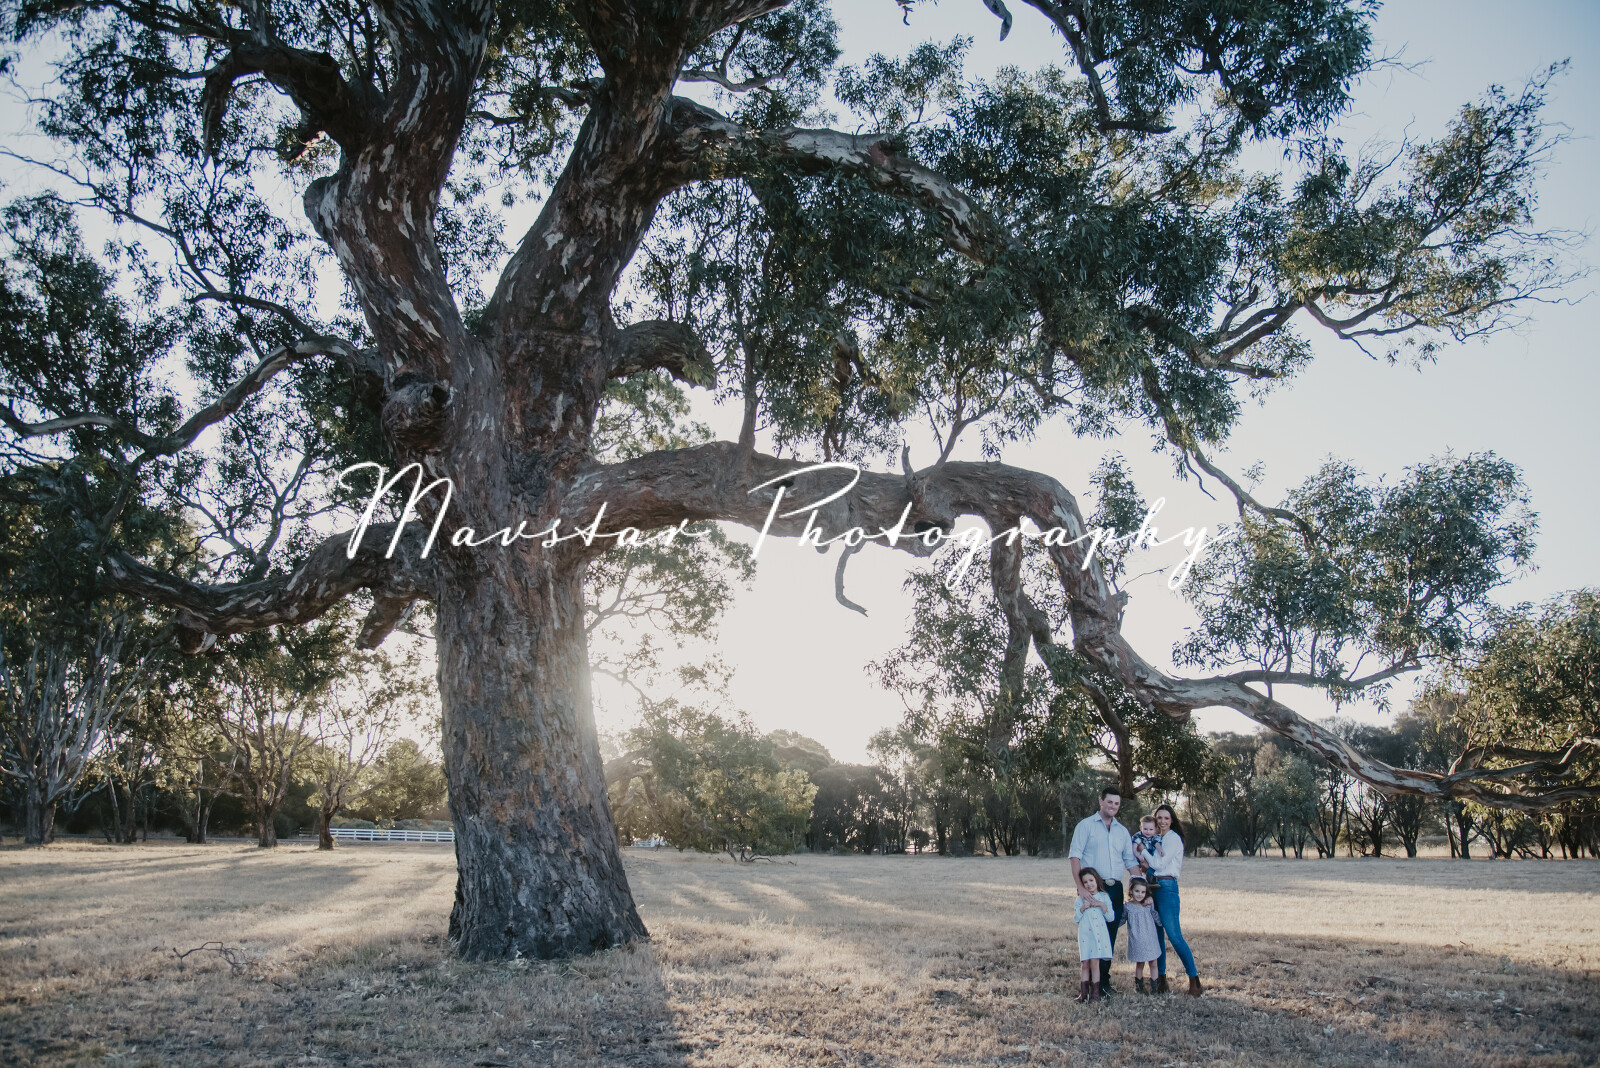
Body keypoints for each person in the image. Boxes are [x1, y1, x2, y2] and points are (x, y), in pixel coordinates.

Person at [1068, 786, 1138, 996]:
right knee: (1093, 935)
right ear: (1101, 801)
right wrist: (1081, 888)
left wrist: (1141, 885)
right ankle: (1089, 985)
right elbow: (1074, 857)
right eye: (1110, 802)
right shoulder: (1086, 826)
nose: (1113, 806)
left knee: (1109, 936)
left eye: (1117, 803)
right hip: (1093, 889)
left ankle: (1103, 983)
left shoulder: (1122, 831)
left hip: (1114, 889)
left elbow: (1130, 861)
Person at [1148, 802, 1203, 996]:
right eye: (1159, 818)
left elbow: (1160, 864)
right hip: (1151, 887)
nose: (1162, 821)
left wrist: (1145, 854)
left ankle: (1194, 980)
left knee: (1174, 935)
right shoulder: (1155, 838)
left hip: (1166, 886)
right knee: (1157, 936)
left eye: (1166, 818)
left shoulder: (1173, 839)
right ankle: (1161, 980)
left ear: (1172, 821)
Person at [1072, 867, 1114, 1004]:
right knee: (1085, 964)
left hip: (1098, 935)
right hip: (1086, 935)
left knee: (1095, 963)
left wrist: (1101, 905)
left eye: (1091, 880)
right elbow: (1076, 918)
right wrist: (1083, 908)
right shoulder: (1080, 899)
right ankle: (1083, 994)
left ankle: (1095, 995)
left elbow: (1111, 917)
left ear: (1097, 880)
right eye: (1085, 882)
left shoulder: (1104, 897)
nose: (1089, 884)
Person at [1121, 878, 1161, 993]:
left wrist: (1162, 924)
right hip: (1137, 939)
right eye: (1137, 891)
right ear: (1131, 891)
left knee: (1153, 963)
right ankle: (1139, 988)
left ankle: (1155, 989)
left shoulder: (1148, 905)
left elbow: (1155, 916)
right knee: (1140, 964)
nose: (1140, 894)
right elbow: (1122, 919)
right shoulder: (1127, 907)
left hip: (1150, 938)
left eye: (1143, 892)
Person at [1131, 814, 1163, 880]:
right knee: (1138, 874)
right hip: (1140, 858)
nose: (1148, 832)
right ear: (1141, 828)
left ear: (1155, 829)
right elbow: (1134, 848)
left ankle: (1151, 878)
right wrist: (1138, 855)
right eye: (1145, 829)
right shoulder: (1138, 836)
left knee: (1152, 871)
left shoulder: (1155, 837)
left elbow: (1157, 844)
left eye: (1151, 829)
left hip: (1151, 859)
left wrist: (1160, 850)